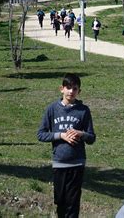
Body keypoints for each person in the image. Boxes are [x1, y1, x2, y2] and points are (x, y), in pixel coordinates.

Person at [37, 73, 96, 218]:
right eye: (68, 87)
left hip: (77, 163)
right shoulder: (52, 109)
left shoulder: (83, 110)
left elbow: (92, 138)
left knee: (73, 203)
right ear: (61, 89)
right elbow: (41, 134)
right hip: (59, 163)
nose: (71, 91)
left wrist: (80, 133)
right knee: (60, 201)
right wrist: (61, 135)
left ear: (79, 91)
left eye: (74, 88)